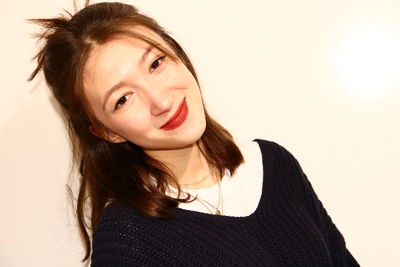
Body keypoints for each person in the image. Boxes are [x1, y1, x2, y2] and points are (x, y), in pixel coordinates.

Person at [29, 2, 360, 266]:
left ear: (178, 55)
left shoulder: (274, 163)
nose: (161, 100)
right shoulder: (127, 241)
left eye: (156, 63)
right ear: (107, 132)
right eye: (123, 99)